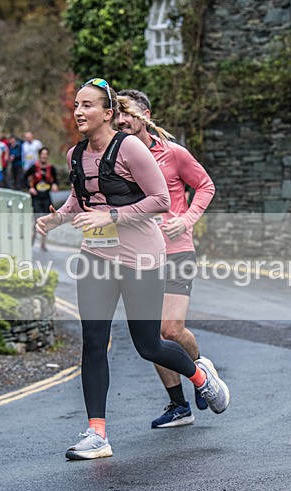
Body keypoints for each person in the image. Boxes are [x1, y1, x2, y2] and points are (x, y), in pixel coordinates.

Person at [35, 77, 230, 460]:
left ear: (109, 113)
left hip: (142, 257)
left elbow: (159, 200)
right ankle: (97, 434)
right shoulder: (76, 155)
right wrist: (56, 219)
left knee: (149, 344)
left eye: (88, 105)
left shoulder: (131, 149)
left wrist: (111, 214)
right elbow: (80, 198)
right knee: (93, 342)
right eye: (76, 105)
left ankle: (200, 376)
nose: (78, 111)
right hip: (96, 257)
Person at [116, 89, 217, 429]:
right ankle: (179, 406)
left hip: (176, 249)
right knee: (153, 335)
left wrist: (185, 220)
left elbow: (205, 186)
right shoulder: (118, 159)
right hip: (140, 255)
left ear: (144, 113)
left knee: (170, 328)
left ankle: (201, 368)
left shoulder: (173, 153)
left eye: (127, 112)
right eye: (116, 113)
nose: (120, 119)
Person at [25, 146, 58, 250]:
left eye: (46, 154)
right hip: (36, 197)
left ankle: (43, 243)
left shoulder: (51, 168)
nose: (44, 156)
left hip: (46, 197)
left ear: (47, 156)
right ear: (40, 155)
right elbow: (24, 178)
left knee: (47, 220)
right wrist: (30, 188)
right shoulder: (34, 167)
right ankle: (33, 238)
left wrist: (55, 185)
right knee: (36, 219)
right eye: (42, 154)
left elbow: (56, 180)